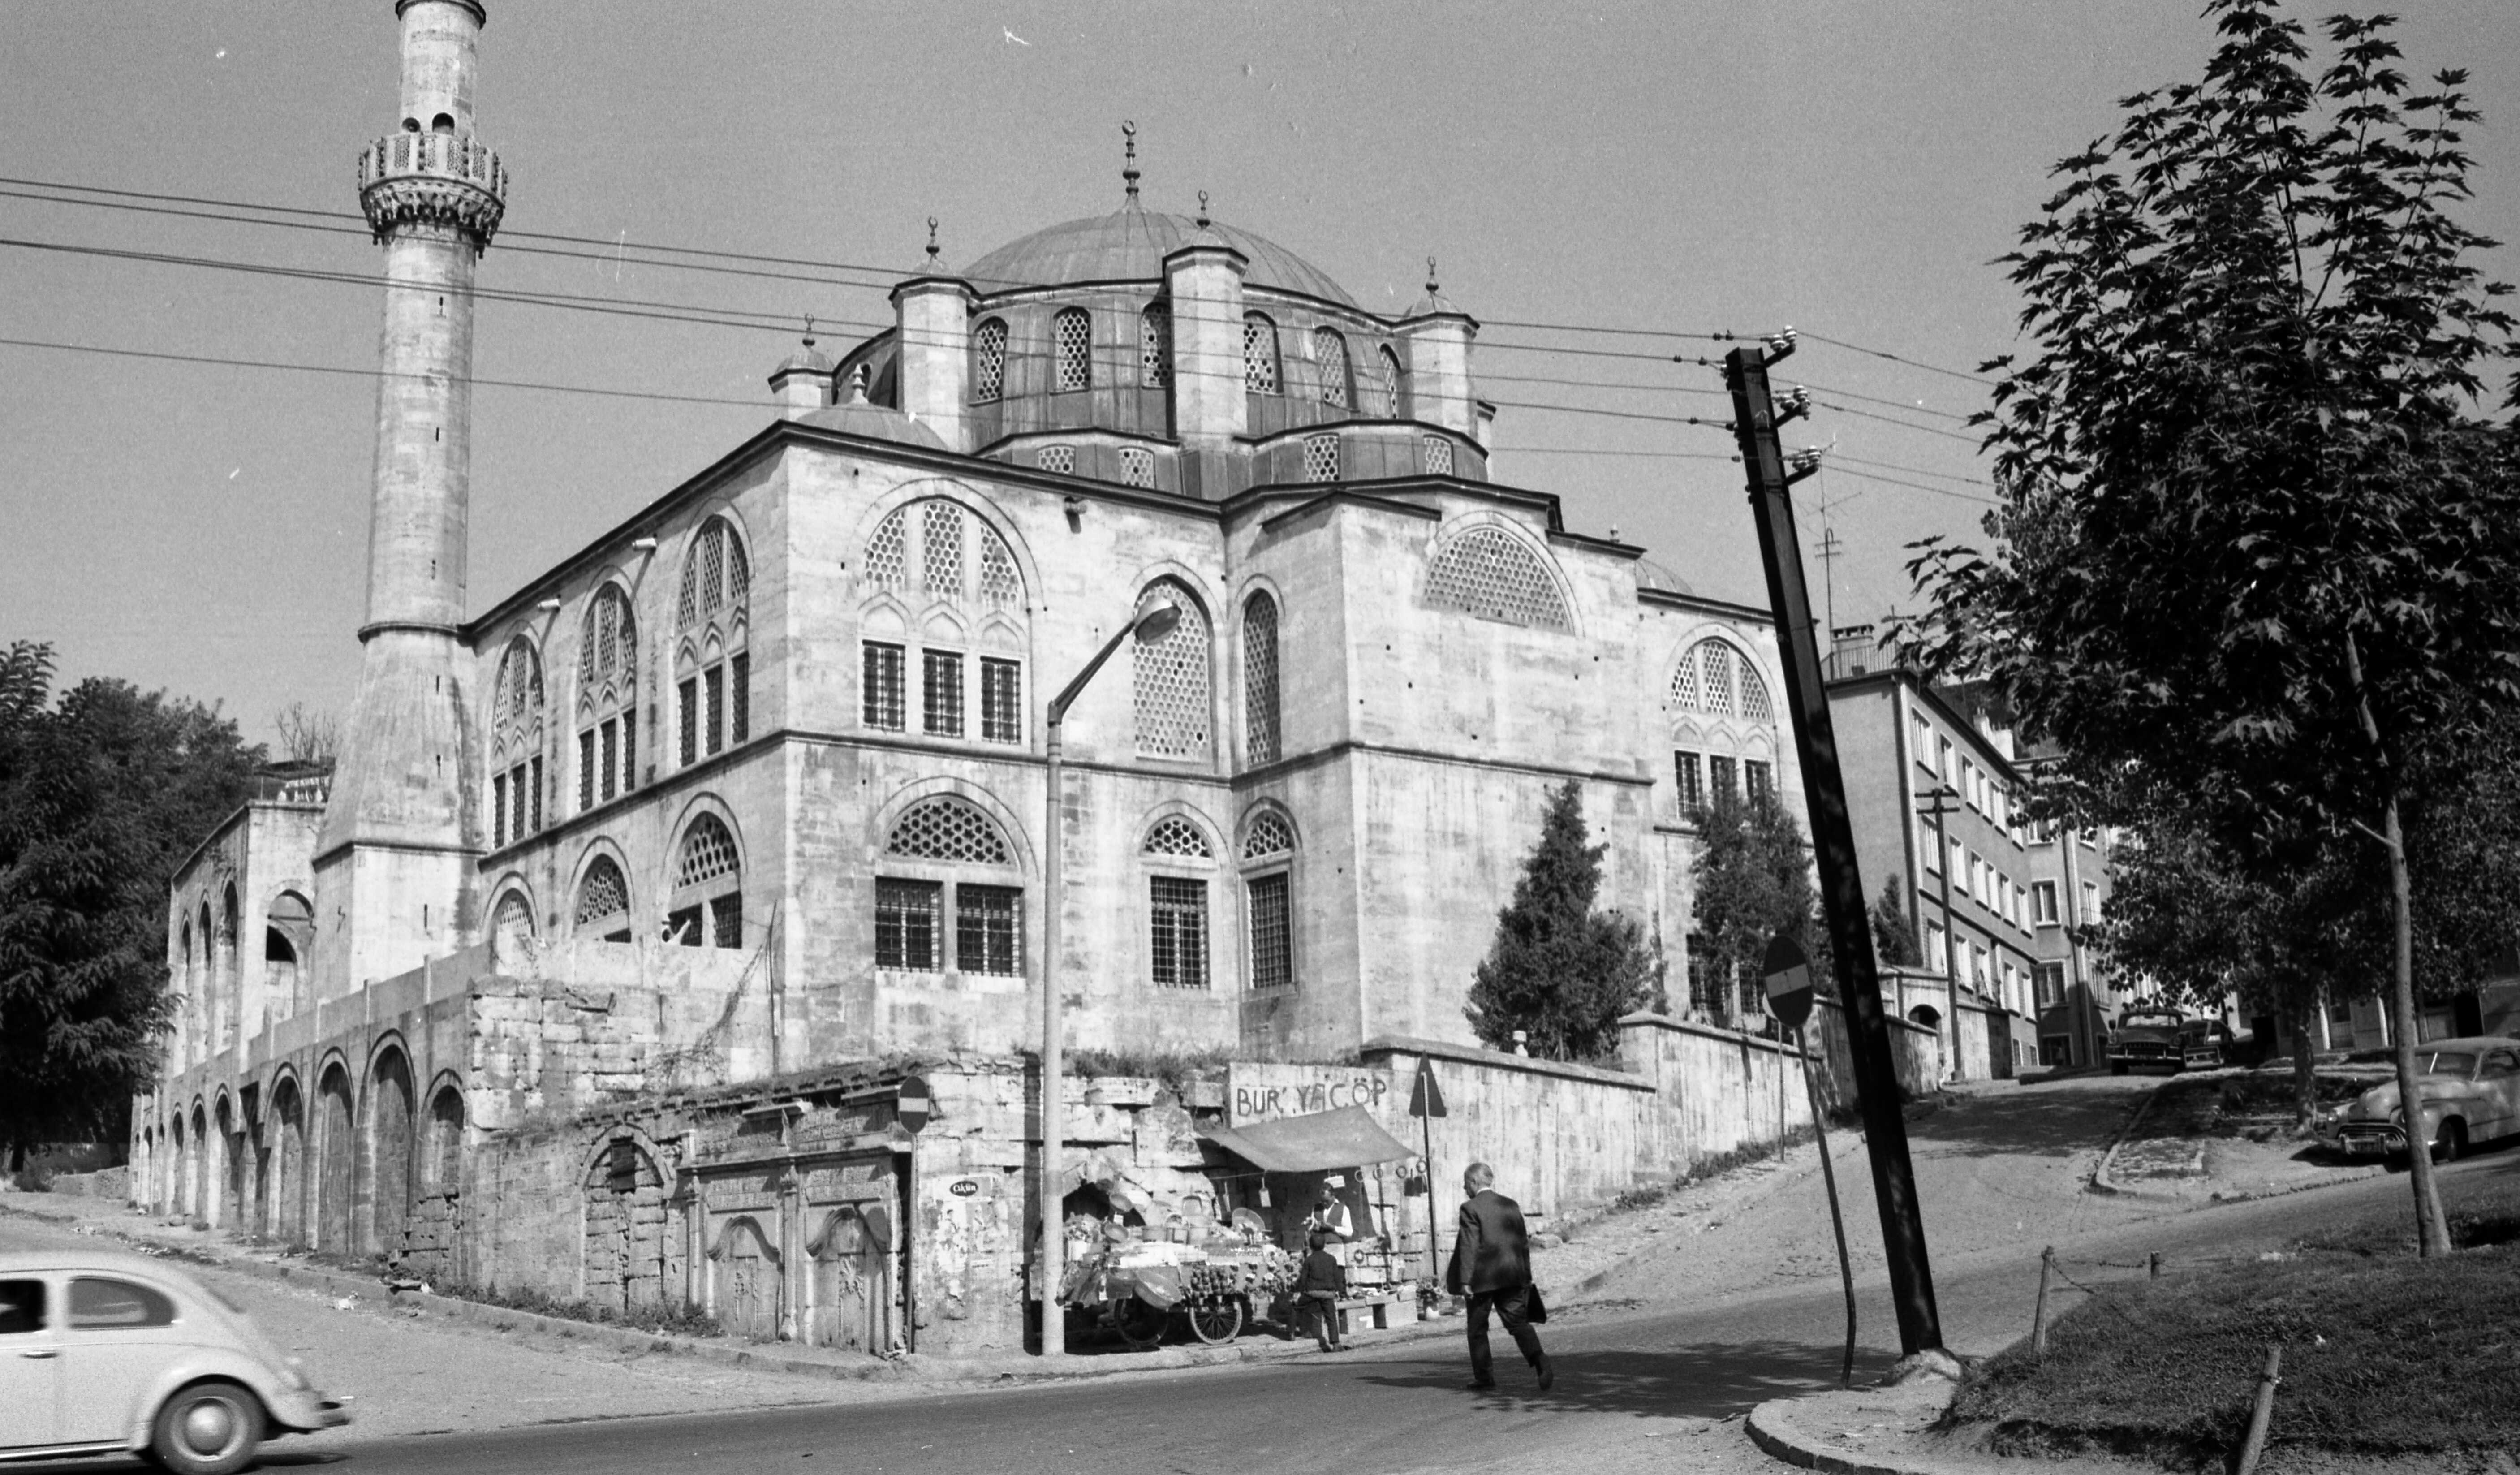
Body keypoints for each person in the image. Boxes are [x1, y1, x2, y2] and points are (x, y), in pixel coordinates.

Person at [1443, 1160, 1553, 1391]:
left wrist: (1465, 1280)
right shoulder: (1511, 1205)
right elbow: (1522, 1243)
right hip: (1512, 1276)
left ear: (1474, 1182)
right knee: (1518, 1324)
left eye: (1466, 1183)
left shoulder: (1470, 1208)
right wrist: (1526, 1275)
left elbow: (1469, 1245)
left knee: (1477, 1329)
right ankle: (1540, 1360)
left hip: (1482, 1280)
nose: (1464, 1188)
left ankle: (1484, 1378)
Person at [1291, 1229, 1349, 1352]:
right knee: (1331, 1318)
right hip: (1328, 1294)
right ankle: (1336, 1344)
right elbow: (1337, 1278)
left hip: (1312, 1294)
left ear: (1311, 1246)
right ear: (1324, 1245)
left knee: (1295, 1307)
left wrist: (1298, 1292)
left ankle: (1292, 1332)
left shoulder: (1309, 1260)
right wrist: (1339, 1292)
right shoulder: (1332, 1259)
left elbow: (1303, 1279)